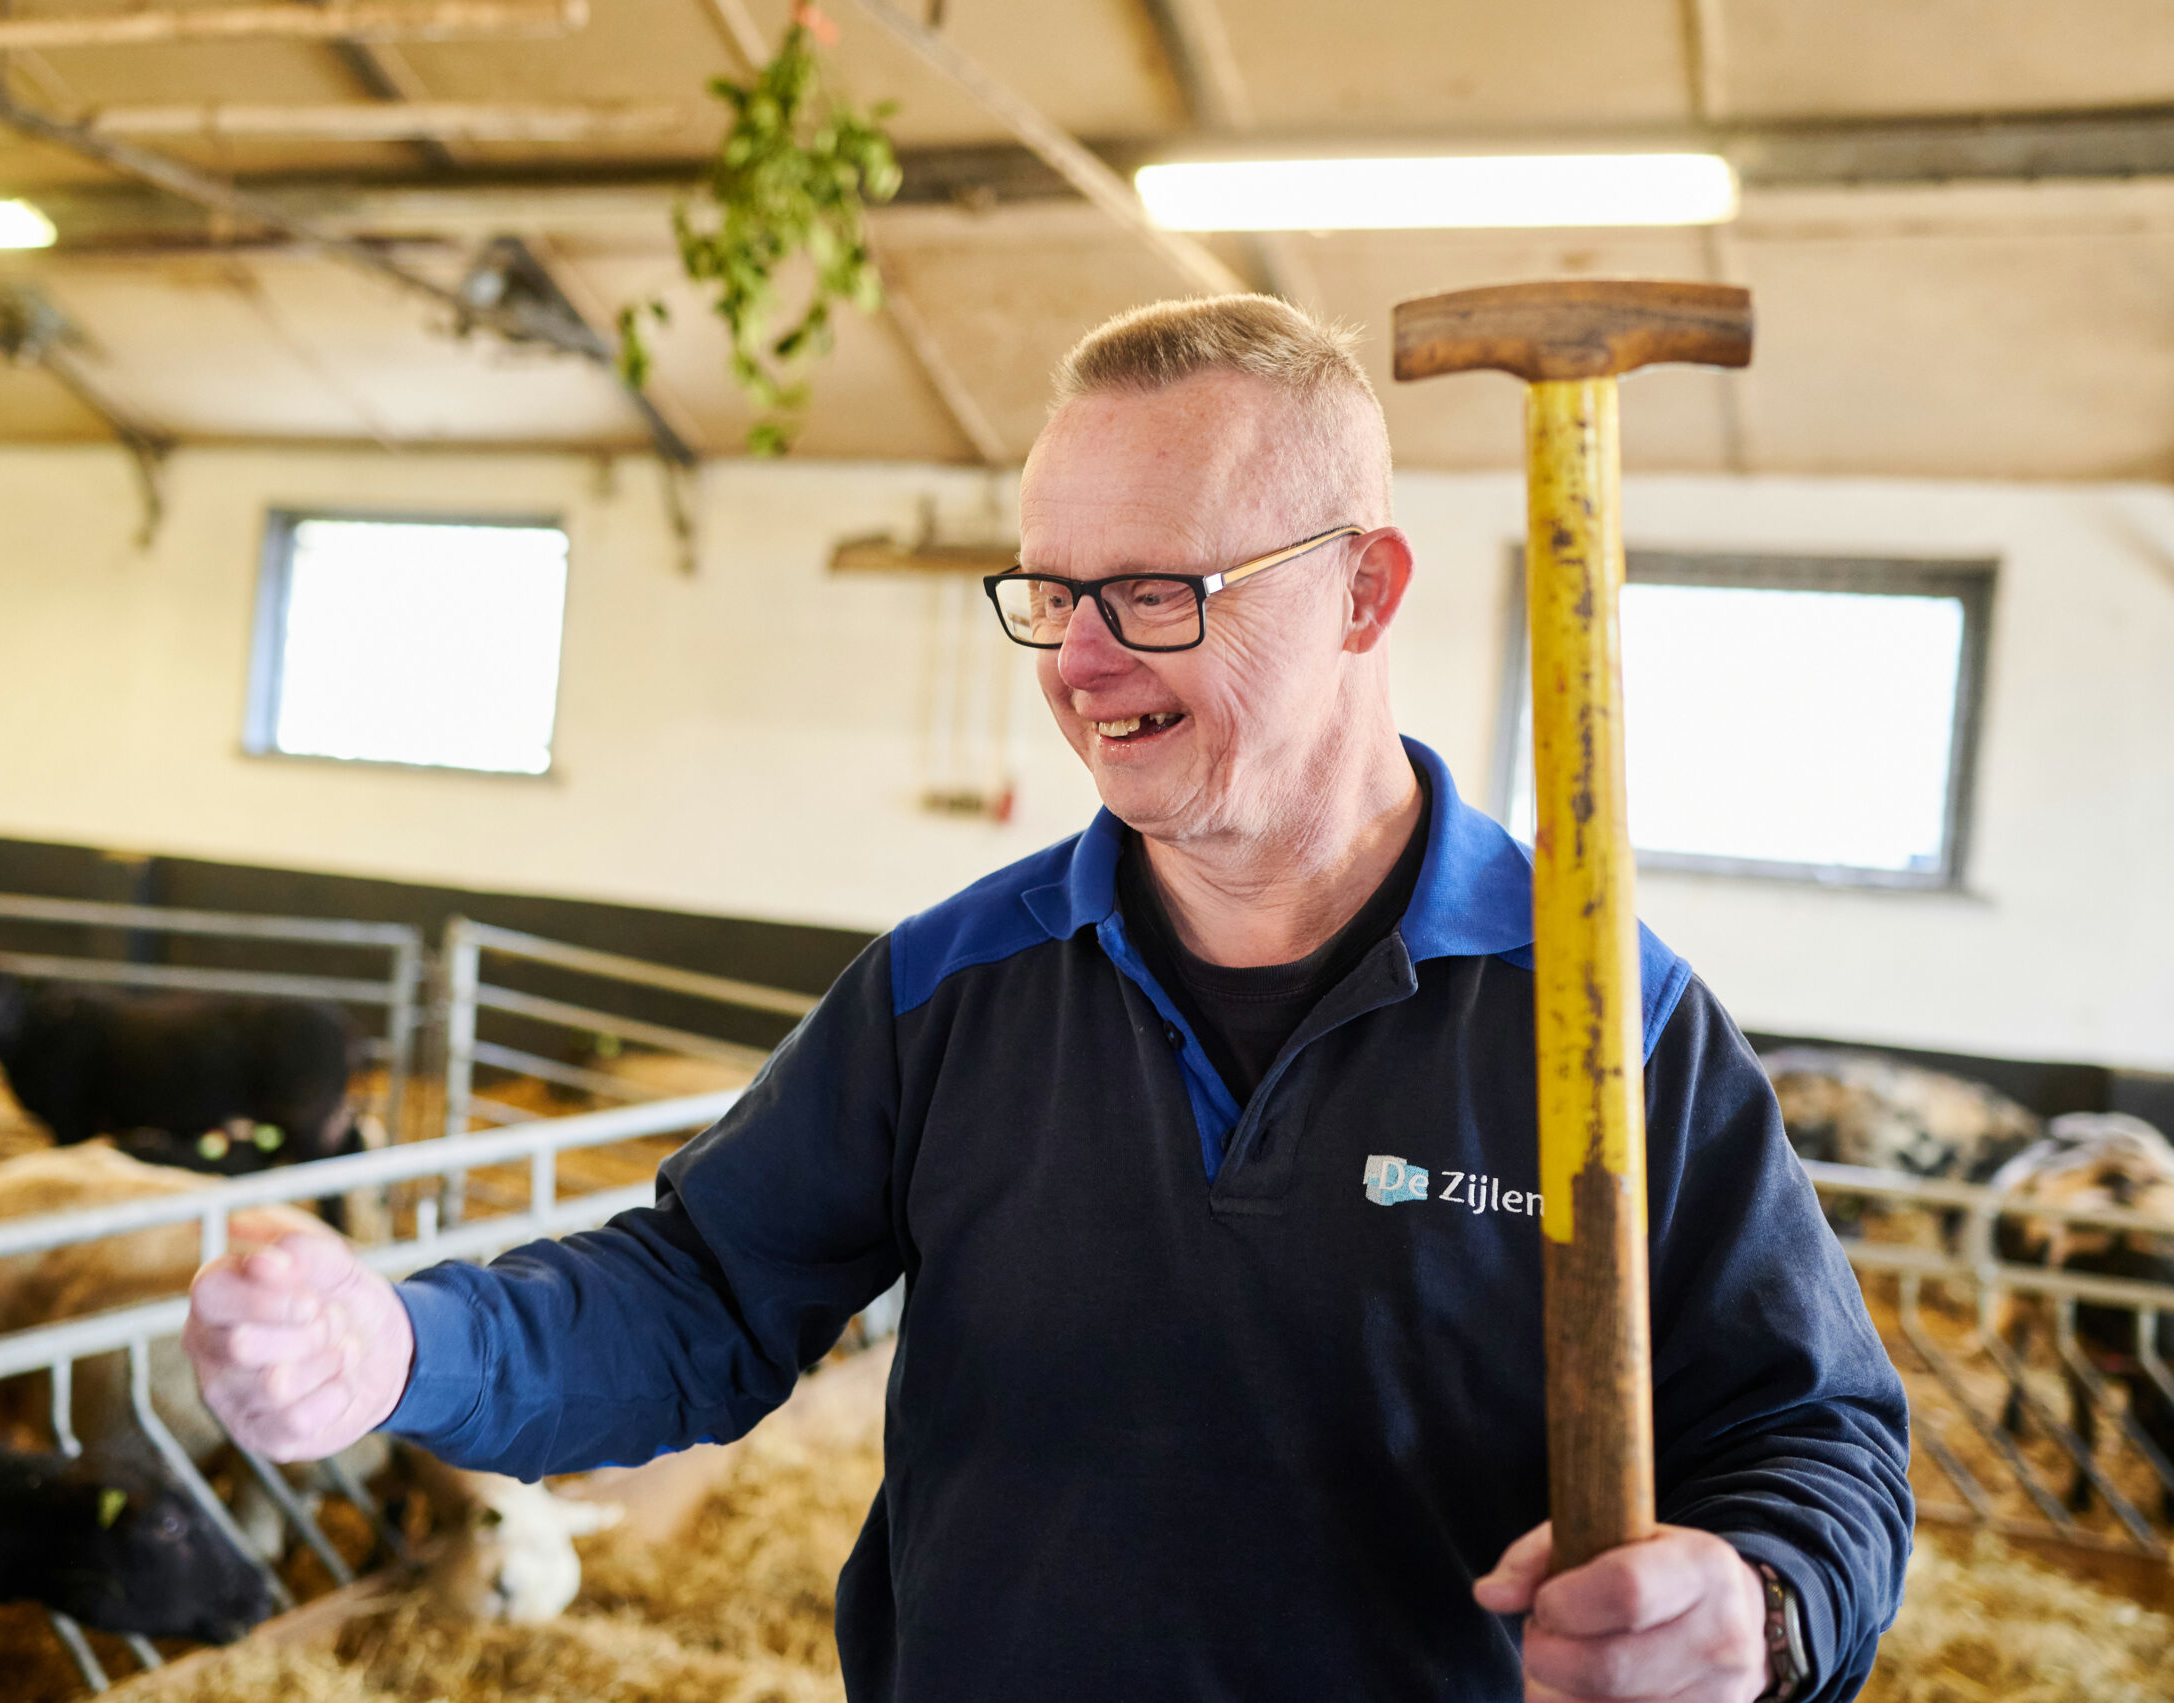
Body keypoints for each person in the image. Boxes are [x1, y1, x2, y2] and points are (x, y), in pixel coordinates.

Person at [184, 295, 1911, 1703]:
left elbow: (1816, 1435)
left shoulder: (1604, 1028)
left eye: (1156, 593)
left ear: (1364, 589)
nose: (1082, 664)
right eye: (1053, 592)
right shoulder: (957, 984)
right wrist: (405, 1346)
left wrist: (1755, 1609)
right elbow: (701, 1296)